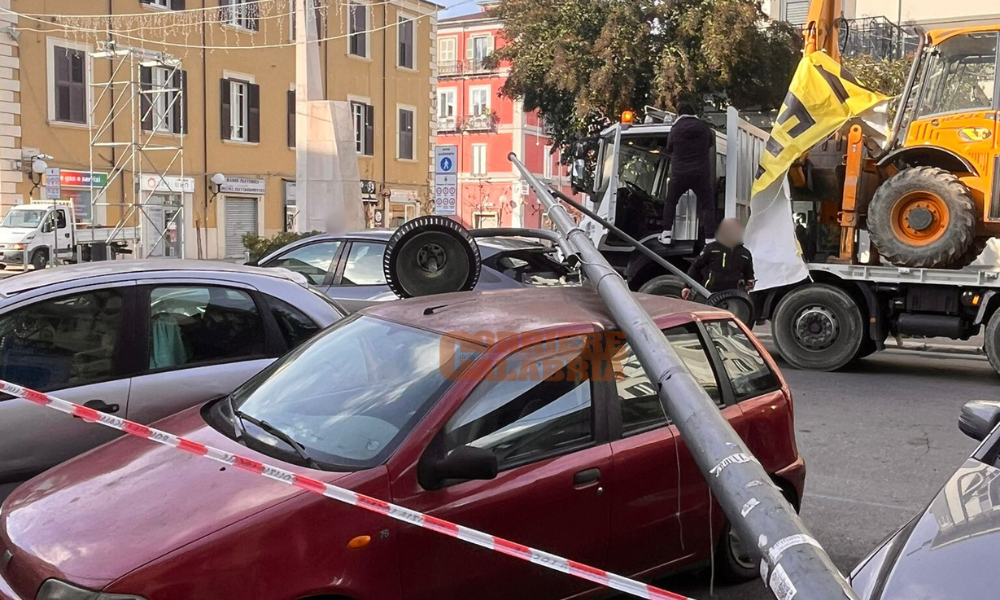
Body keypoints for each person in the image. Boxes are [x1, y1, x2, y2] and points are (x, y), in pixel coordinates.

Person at [659, 103, 717, 245]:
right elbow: (711, 143)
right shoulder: (704, 128)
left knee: (671, 202)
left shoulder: (675, 129)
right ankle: (710, 238)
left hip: (679, 174)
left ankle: (666, 234)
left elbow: (669, 147)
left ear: (679, 114)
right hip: (700, 173)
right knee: (707, 205)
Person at [681, 219, 754, 300]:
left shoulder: (745, 254)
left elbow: (749, 275)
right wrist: (687, 287)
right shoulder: (711, 248)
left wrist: (750, 283)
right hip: (709, 294)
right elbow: (695, 267)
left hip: (734, 297)